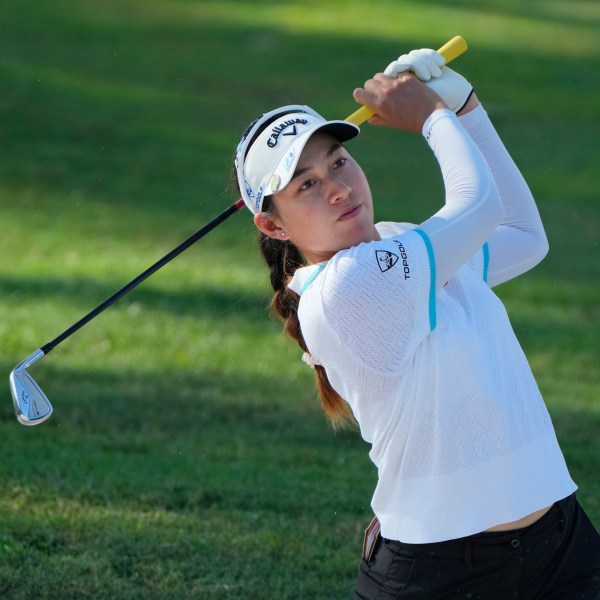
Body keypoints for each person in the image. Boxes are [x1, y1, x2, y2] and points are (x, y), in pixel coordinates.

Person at [232, 48, 600, 598]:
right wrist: (434, 117)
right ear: (272, 224)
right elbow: (478, 208)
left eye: (337, 162)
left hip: (560, 543)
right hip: (443, 572)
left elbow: (524, 237)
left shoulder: (400, 240)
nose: (337, 186)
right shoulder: (343, 288)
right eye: (304, 185)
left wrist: (466, 108)